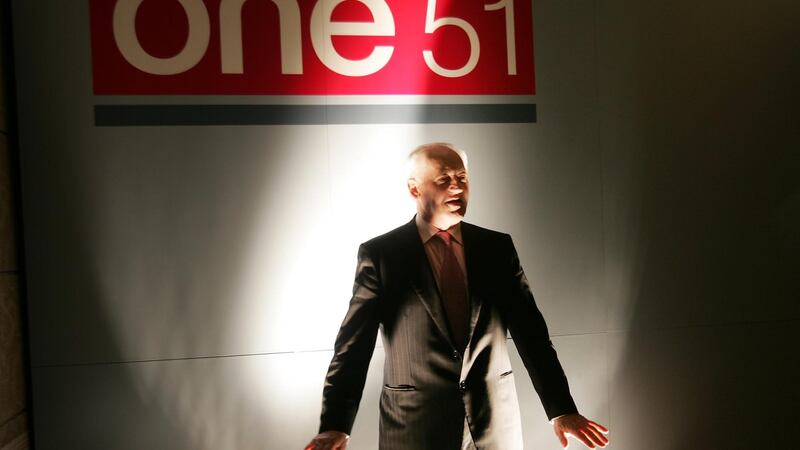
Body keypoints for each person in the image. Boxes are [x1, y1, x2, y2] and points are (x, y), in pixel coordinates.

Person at [304, 143, 609, 450]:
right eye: (444, 179)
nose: (456, 187)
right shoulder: (382, 256)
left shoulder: (497, 249)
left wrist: (561, 409)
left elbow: (532, 334)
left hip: (494, 429)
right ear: (414, 189)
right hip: (414, 431)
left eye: (462, 178)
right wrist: (334, 425)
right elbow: (353, 348)